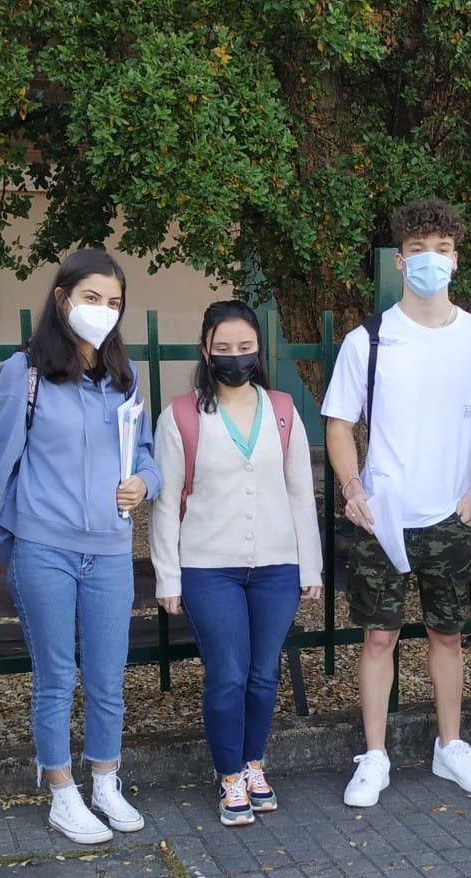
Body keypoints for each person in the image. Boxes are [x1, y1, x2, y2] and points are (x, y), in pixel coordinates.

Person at [321, 198, 471, 807]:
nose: (429, 260)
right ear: (400, 262)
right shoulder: (370, 339)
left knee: (448, 635)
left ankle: (449, 746)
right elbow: (337, 423)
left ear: (456, 260)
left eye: (441, 249)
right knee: (378, 637)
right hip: (382, 517)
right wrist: (354, 491)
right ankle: (375, 755)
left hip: (448, 517)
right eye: (417, 250)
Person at [0, 247, 162, 845]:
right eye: (91, 298)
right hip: (45, 550)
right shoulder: (24, 373)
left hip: (110, 550)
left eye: (114, 302)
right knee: (56, 675)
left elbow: (145, 456)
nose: (103, 312)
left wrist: (144, 483)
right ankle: (62, 791)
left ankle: (106, 781)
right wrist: (10, 544)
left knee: (108, 675)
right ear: (62, 299)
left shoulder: (125, 377)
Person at [150, 301, 324, 826]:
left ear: (258, 350)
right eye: (222, 348)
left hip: (276, 565)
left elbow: (300, 493)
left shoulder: (283, 409)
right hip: (209, 568)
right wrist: (167, 575)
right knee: (226, 674)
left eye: (244, 347)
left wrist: (309, 567)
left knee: (263, 674)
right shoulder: (180, 415)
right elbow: (166, 502)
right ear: (206, 350)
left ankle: (254, 764)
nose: (234, 356)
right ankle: (229, 777)